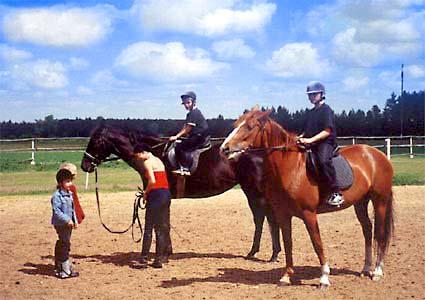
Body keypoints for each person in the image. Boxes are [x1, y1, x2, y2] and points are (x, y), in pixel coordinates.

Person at [297, 81, 344, 206]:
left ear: (321, 94)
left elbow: (327, 131)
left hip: (325, 143)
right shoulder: (310, 113)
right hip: (312, 143)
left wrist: (310, 140)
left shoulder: (326, 110)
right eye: (309, 95)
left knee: (323, 161)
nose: (311, 97)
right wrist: (299, 138)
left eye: (314, 94)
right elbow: (306, 131)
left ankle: (336, 192)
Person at [133, 144, 172, 268]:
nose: (138, 159)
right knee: (161, 228)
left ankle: (144, 258)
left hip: (156, 195)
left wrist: (145, 193)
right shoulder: (158, 160)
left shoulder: (147, 162)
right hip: (166, 194)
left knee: (149, 227)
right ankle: (160, 259)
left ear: (143, 152)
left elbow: (152, 181)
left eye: (138, 156)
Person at [169, 91, 209, 175]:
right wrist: (180, 135)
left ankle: (185, 168)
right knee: (182, 142)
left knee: (179, 147)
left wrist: (176, 137)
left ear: (194, 102)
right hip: (198, 136)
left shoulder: (194, 113)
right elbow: (185, 127)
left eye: (188, 103)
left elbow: (188, 128)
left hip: (199, 137)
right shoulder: (191, 113)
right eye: (184, 103)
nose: (186, 105)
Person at [51, 169, 80, 278]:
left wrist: (75, 221)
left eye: (70, 181)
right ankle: (65, 269)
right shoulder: (57, 196)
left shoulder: (70, 194)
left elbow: (72, 210)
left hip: (68, 224)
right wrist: (67, 220)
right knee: (65, 244)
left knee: (63, 243)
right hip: (61, 224)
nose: (70, 184)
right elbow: (57, 211)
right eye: (67, 181)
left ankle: (60, 265)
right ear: (60, 183)